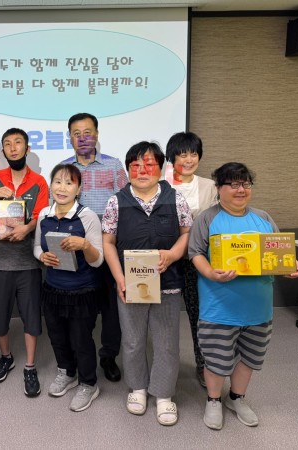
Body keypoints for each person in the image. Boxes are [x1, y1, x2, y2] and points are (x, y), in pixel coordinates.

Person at [188, 162, 298, 430]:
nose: (241, 190)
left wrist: (290, 267)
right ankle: (213, 400)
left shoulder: (263, 218)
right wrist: (211, 273)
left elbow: (279, 255)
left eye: (246, 184)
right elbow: (195, 253)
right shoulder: (207, 218)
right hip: (219, 307)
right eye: (234, 184)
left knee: (251, 357)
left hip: (258, 308)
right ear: (219, 188)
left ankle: (236, 398)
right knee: (216, 358)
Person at [102, 141, 192, 426]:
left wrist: (173, 254)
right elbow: (108, 242)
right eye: (135, 166)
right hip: (130, 284)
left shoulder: (175, 199)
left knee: (167, 343)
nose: (142, 171)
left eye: (149, 165)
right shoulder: (116, 201)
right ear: (128, 170)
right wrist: (119, 278)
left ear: (161, 168)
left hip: (168, 283)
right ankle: (137, 388)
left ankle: (164, 394)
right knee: (132, 340)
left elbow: (186, 233)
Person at [60, 112, 127, 382]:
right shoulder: (64, 168)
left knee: (112, 308)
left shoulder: (113, 165)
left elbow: (126, 202)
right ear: (70, 138)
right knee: (82, 307)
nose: (82, 138)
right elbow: (59, 204)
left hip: (110, 247)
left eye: (87, 132)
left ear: (96, 135)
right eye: (76, 134)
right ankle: (81, 353)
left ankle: (108, 356)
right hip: (78, 249)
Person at [0, 128, 49, 397]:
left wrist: (27, 228)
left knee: (31, 316)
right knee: (0, 316)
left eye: (18, 142)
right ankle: (6, 357)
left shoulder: (39, 181)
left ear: (27, 148)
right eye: (8, 144)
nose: (13, 148)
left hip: (27, 261)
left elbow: (41, 215)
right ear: (3, 151)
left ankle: (30, 366)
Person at [34, 164, 104, 412]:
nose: (62, 188)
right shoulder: (44, 214)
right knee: (57, 336)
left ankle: (88, 383)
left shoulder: (87, 216)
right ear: (50, 185)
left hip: (82, 290)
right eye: (57, 181)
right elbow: (37, 247)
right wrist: (42, 256)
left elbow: (98, 260)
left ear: (79, 189)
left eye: (69, 183)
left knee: (81, 339)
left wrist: (85, 245)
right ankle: (67, 372)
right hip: (53, 288)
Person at [165, 131, 218, 388]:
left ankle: (203, 364)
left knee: (200, 316)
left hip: (197, 260)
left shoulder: (210, 186)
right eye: (182, 154)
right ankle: (165, 369)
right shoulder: (160, 185)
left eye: (193, 154)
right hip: (166, 259)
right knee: (164, 318)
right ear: (171, 157)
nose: (188, 160)